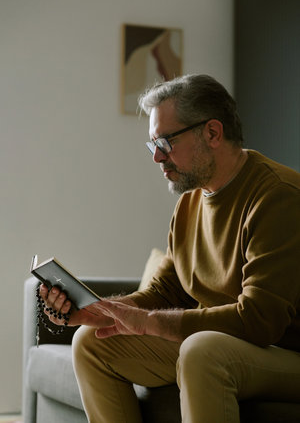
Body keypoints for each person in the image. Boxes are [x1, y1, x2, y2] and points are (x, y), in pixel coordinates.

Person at [40, 74, 300, 423]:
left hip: (284, 352)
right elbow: (166, 290)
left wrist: (149, 323)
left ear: (212, 133)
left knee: (201, 350)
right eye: (153, 145)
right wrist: (101, 312)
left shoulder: (278, 195)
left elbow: (259, 320)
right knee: (91, 342)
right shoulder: (190, 201)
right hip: (223, 343)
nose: (157, 157)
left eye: (165, 142)